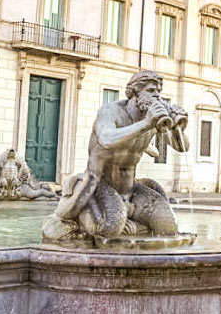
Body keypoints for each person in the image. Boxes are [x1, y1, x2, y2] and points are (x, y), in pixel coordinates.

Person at [48, 70, 189, 238]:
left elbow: (182, 147)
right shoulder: (111, 112)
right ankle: (87, 216)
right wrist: (146, 123)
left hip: (131, 189)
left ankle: (132, 221)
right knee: (111, 227)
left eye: (159, 92)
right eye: (151, 91)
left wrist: (177, 128)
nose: (157, 96)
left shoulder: (153, 118)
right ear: (135, 92)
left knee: (167, 225)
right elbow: (106, 139)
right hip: (100, 185)